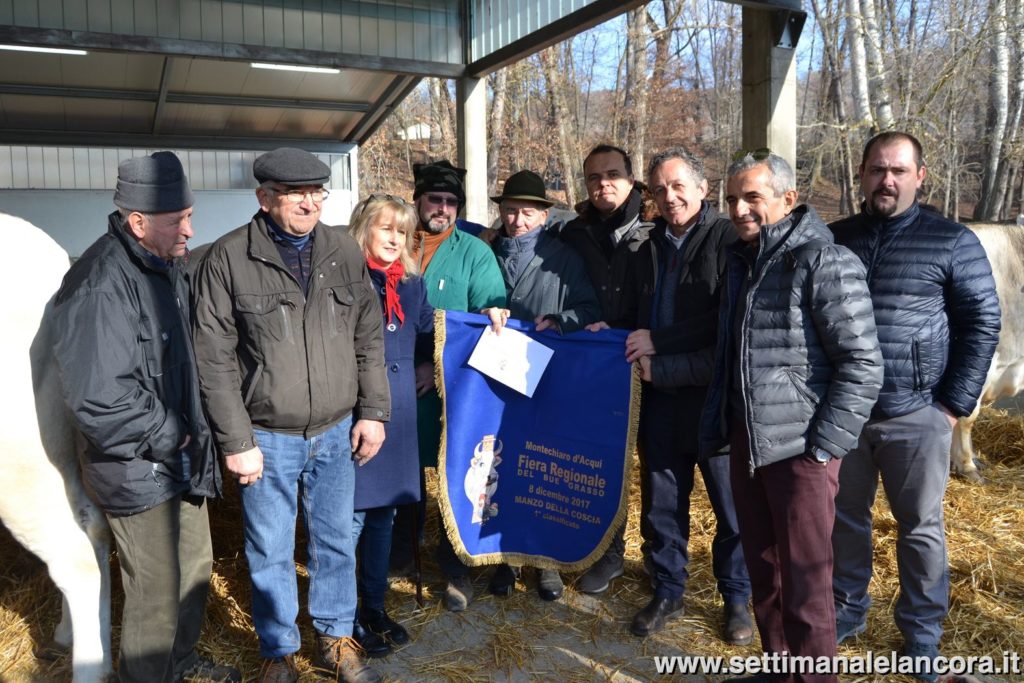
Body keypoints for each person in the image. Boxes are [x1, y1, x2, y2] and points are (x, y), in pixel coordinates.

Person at [192, 148, 390, 683]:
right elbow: (212, 359)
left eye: (317, 193)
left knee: (334, 540)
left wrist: (373, 411)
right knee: (269, 546)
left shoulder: (344, 251)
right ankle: (278, 650)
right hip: (266, 435)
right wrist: (236, 440)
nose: (309, 203)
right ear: (264, 197)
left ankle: (335, 637)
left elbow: (367, 338)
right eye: (295, 193)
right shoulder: (229, 258)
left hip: (336, 429)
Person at [51, 152, 238, 683]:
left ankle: (178, 665)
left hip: (178, 458)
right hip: (137, 466)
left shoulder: (166, 267)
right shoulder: (98, 284)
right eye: (177, 219)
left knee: (196, 570)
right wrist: (171, 432)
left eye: (189, 214)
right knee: (154, 595)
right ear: (137, 221)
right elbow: (98, 398)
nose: (190, 229)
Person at [700, 151, 883, 683]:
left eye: (752, 197)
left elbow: (863, 364)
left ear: (788, 198)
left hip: (801, 451)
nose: (738, 209)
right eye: (732, 199)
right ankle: (780, 670)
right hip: (750, 441)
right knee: (766, 575)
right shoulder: (743, 261)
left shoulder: (824, 261)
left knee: (807, 585)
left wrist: (825, 446)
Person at [830, 132, 1001, 682]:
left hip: (918, 412)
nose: (888, 180)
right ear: (860, 173)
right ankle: (847, 609)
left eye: (899, 171)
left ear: (920, 176)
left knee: (920, 527)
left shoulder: (952, 241)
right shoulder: (835, 240)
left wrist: (951, 405)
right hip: (847, 413)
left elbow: (982, 322)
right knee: (842, 519)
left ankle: (922, 635)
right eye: (878, 169)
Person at [622, 148, 751, 642]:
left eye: (679, 186)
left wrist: (661, 345)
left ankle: (736, 598)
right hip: (661, 403)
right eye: (659, 189)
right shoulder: (647, 245)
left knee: (731, 506)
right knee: (662, 504)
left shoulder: (728, 241)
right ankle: (668, 589)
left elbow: (727, 320)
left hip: (714, 400)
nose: (669, 196)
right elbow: (633, 315)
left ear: (703, 187)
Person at [388, 159, 506, 613]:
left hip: (452, 387)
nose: (442, 207)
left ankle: (457, 567)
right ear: (417, 199)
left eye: (451, 201)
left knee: (459, 473)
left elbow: (487, 319)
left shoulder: (475, 252)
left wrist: (433, 367)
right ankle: (402, 551)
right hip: (394, 381)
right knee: (401, 471)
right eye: (434, 198)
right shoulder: (393, 243)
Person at [482, 169, 602, 602]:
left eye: (527, 212)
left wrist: (562, 321)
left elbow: (589, 306)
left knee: (544, 469)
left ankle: (545, 563)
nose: (517, 220)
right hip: (495, 378)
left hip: (546, 375)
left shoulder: (564, 257)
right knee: (502, 466)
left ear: (544, 215)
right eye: (510, 211)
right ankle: (506, 560)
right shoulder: (486, 251)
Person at [560, 144, 653, 593]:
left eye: (613, 174)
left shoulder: (656, 228)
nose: (603, 184)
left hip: (653, 361)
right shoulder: (574, 233)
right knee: (602, 459)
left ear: (631, 179)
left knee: (657, 470)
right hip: (597, 366)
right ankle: (608, 553)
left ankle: (660, 563)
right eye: (594, 177)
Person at [346, 194, 434, 656]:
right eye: (386, 229)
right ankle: (343, 619)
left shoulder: (413, 286)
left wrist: (488, 318)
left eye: (402, 232)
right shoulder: (344, 281)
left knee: (384, 517)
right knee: (351, 520)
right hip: (358, 410)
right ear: (364, 229)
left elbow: (429, 336)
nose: (395, 239)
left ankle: (375, 607)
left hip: (400, 414)